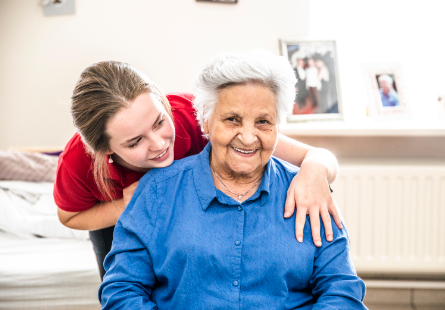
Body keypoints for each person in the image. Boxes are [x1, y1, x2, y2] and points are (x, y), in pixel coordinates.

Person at [99, 49, 367, 309]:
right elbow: (122, 291)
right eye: (232, 120)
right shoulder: (157, 192)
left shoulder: (310, 192)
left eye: (263, 121)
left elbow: (341, 292)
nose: (248, 137)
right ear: (205, 121)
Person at [54, 61, 340, 281]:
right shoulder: (80, 163)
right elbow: (69, 216)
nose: (159, 144)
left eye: (158, 122)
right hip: (118, 215)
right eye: (135, 141)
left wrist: (316, 170)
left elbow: (314, 155)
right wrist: (125, 205)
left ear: (165, 105)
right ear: (106, 150)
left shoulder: (196, 118)